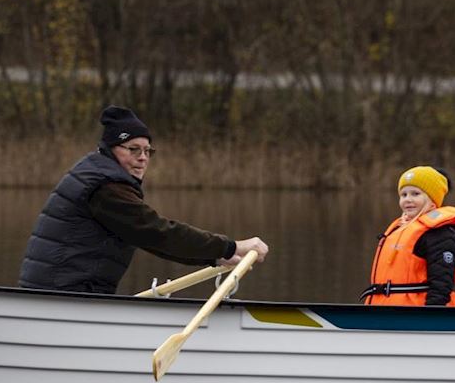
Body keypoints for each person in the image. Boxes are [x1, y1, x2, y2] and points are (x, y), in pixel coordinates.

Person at [18, 106, 269, 294]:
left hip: (61, 294)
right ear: (110, 149)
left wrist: (214, 257)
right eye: (133, 149)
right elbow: (157, 233)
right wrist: (230, 247)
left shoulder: (97, 175)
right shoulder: (105, 187)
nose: (143, 158)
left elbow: (151, 238)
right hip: (63, 295)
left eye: (147, 150)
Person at [363, 165, 455, 307]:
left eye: (415, 194)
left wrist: (429, 316)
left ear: (432, 199)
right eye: (403, 195)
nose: (408, 199)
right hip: (386, 309)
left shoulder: (440, 233)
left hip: (417, 312)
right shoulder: (399, 228)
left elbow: (442, 282)